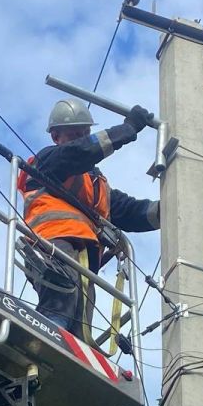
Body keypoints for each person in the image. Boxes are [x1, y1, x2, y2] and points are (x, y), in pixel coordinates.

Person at [17, 98, 160, 342]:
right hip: (53, 240)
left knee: (80, 323)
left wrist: (170, 207)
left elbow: (129, 211)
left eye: (85, 133)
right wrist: (126, 130)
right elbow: (80, 152)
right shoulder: (49, 159)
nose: (82, 138)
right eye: (75, 134)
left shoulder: (96, 184)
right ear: (56, 136)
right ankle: (45, 342)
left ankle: (67, 351)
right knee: (61, 297)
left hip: (84, 259)